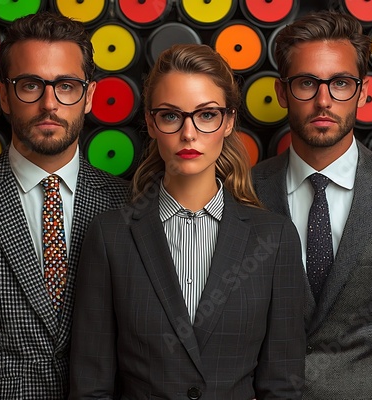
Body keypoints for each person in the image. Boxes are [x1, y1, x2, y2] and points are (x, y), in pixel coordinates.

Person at [69, 43, 305, 399]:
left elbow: (282, 386)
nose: (189, 134)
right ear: (150, 122)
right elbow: (91, 386)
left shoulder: (274, 239)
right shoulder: (110, 236)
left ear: (227, 121)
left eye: (206, 115)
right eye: (170, 115)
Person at [252, 10, 372, 400]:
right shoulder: (245, 191)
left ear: (363, 91)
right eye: (307, 83)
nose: (323, 101)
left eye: (340, 83)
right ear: (282, 91)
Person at [0, 12, 129, 399]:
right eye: (30, 85)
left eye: (67, 86)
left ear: (89, 95)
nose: (49, 104)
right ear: (4, 95)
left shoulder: (131, 205)